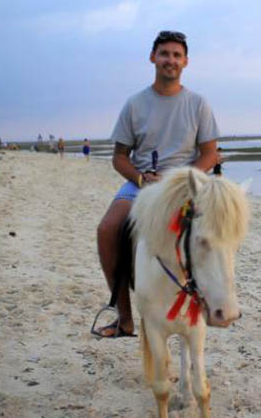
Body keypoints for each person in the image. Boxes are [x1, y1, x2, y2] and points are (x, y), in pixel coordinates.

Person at [93, 30, 220, 338]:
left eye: (177, 55)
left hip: (185, 185)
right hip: (142, 185)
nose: (170, 60)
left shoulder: (198, 103)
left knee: (216, 235)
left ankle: (214, 302)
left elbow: (210, 154)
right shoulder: (135, 104)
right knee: (108, 229)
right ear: (153, 58)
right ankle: (123, 317)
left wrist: (181, 179)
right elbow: (119, 157)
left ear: (186, 62)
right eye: (164, 54)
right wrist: (139, 177)